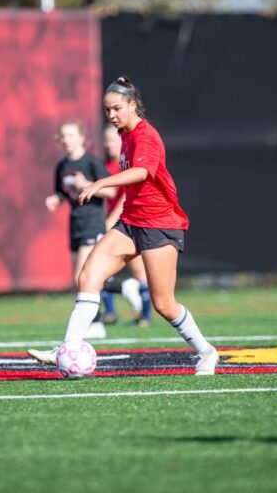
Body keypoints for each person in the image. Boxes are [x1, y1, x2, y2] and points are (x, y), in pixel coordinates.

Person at [30, 76, 219, 375]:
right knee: (89, 276)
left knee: (164, 304)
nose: (112, 115)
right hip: (131, 222)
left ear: (133, 105)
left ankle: (206, 352)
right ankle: (68, 346)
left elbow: (142, 172)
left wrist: (100, 182)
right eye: (107, 110)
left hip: (159, 224)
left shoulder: (145, 135)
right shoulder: (125, 135)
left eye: (117, 108)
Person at [45, 120, 116, 339]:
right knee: (79, 277)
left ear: (82, 138)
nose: (67, 140)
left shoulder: (91, 163)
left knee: (82, 276)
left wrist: (88, 184)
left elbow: (111, 192)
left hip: (92, 221)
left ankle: (95, 321)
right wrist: (55, 199)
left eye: (71, 135)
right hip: (74, 224)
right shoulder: (62, 167)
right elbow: (63, 193)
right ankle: (124, 292)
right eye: (64, 136)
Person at [99, 123, 153, 327]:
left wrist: (110, 220)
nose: (109, 144)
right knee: (103, 270)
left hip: (130, 222)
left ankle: (145, 317)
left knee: (140, 271)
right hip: (116, 223)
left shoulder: (127, 165)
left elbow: (125, 197)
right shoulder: (105, 166)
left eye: (113, 139)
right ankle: (111, 313)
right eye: (106, 140)